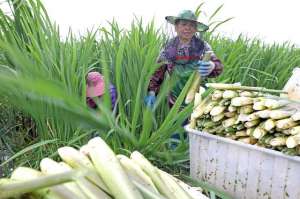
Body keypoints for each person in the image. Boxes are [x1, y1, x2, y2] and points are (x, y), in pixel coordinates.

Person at [145, 10, 223, 108]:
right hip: (174, 100)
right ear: (176, 27)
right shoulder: (168, 47)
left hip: (199, 98)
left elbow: (218, 66)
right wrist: (152, 92)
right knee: (177, 122)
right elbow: (158, 71)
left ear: (196, 29)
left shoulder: (203, 46)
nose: (187, 28)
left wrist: (212, 66)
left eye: (192, 25)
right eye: (184, 24)